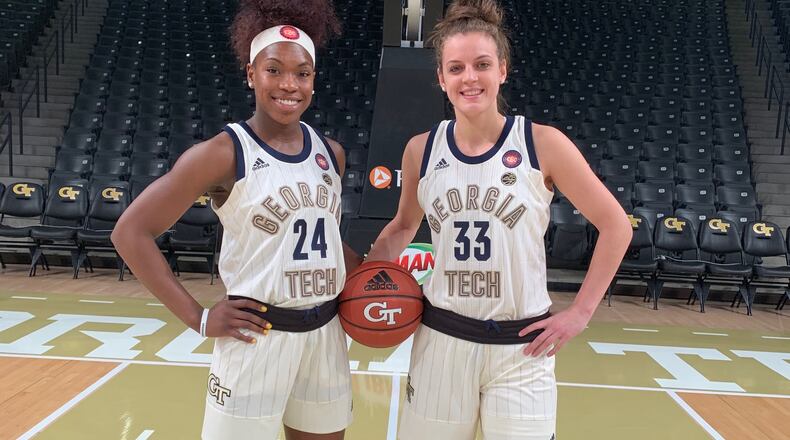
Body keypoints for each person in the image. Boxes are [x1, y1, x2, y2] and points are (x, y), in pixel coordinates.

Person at [364, 0, 633, 438]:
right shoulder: (421, 149)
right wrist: (365, 279)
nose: (469, 77)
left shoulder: (542, 143)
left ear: (502, 70)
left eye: (481, 64)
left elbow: (616, 225)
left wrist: (581, 312)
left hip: (522, 348)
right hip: (442, 340)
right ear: (441, 79)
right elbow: (401, 227)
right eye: (456, 68)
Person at [112, 1, 361, 438]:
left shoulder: (331, 153)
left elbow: (322, 240)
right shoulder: (223, 154)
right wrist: (199, 318)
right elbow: (131, 232)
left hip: (326, 334)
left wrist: (383, 273)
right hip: (255, 338)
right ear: (250, 74)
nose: (289, 84)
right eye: (274, 70)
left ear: (314, 80)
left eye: (302, 73)